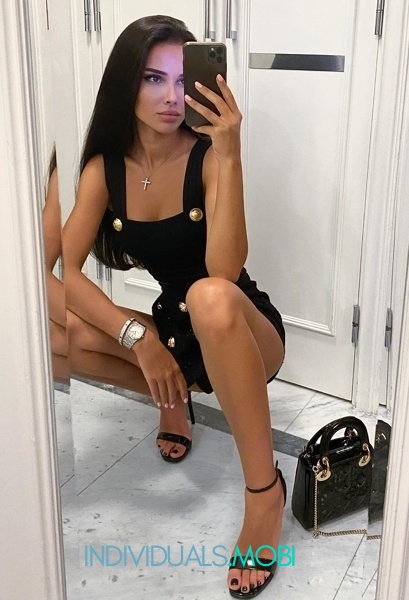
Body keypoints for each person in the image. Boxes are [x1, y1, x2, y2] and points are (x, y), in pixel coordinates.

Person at [63, 15, 287, 598]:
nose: (171, 96)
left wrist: (230, 154)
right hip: (174, 327)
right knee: (61, 334)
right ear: (126, 84)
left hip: (239, 326)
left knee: (207, 295)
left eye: (183, 79)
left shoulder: (207, 156)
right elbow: (65, 273)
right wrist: (139, 338)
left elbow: (224, 272)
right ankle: (173, 400)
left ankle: (264, 494)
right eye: (152, 78)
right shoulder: (105, 170)